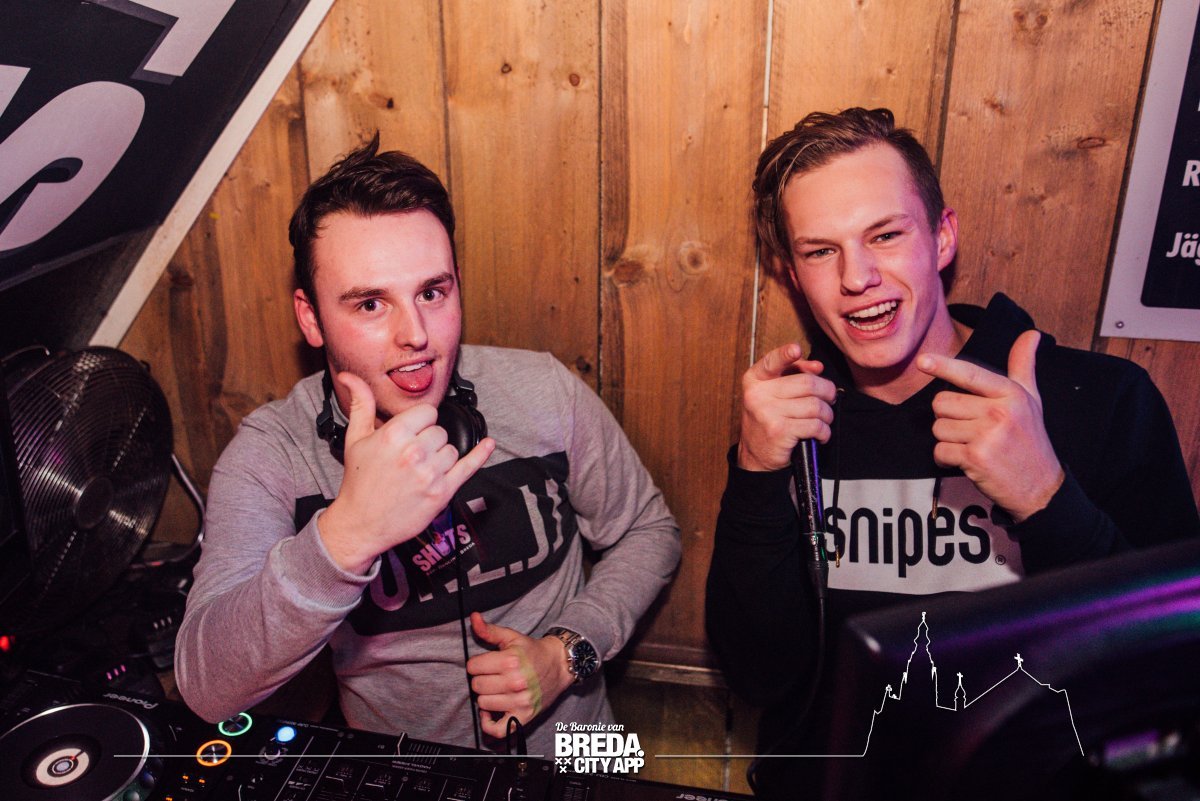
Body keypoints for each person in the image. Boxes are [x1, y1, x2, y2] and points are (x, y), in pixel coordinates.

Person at [704, 107, 1199, 797]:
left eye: (885, 234)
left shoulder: (1101, 400)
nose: (857, 277)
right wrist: (757, 475)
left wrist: (1047, 499)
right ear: (790, 274)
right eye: (821, 251)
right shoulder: (791, 422)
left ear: (942, 237)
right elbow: (759, 676)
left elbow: (1173, 681)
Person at [175, 136, 681, 756]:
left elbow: (649, 530)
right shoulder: (270, 457)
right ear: (310, 318)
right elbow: (207, 688)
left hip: (587, 744)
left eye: (432, 293)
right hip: (407, 774)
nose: (415, 334)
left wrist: (568, 651)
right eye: (370, 303)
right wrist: (347, 536)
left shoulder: (544, 389)